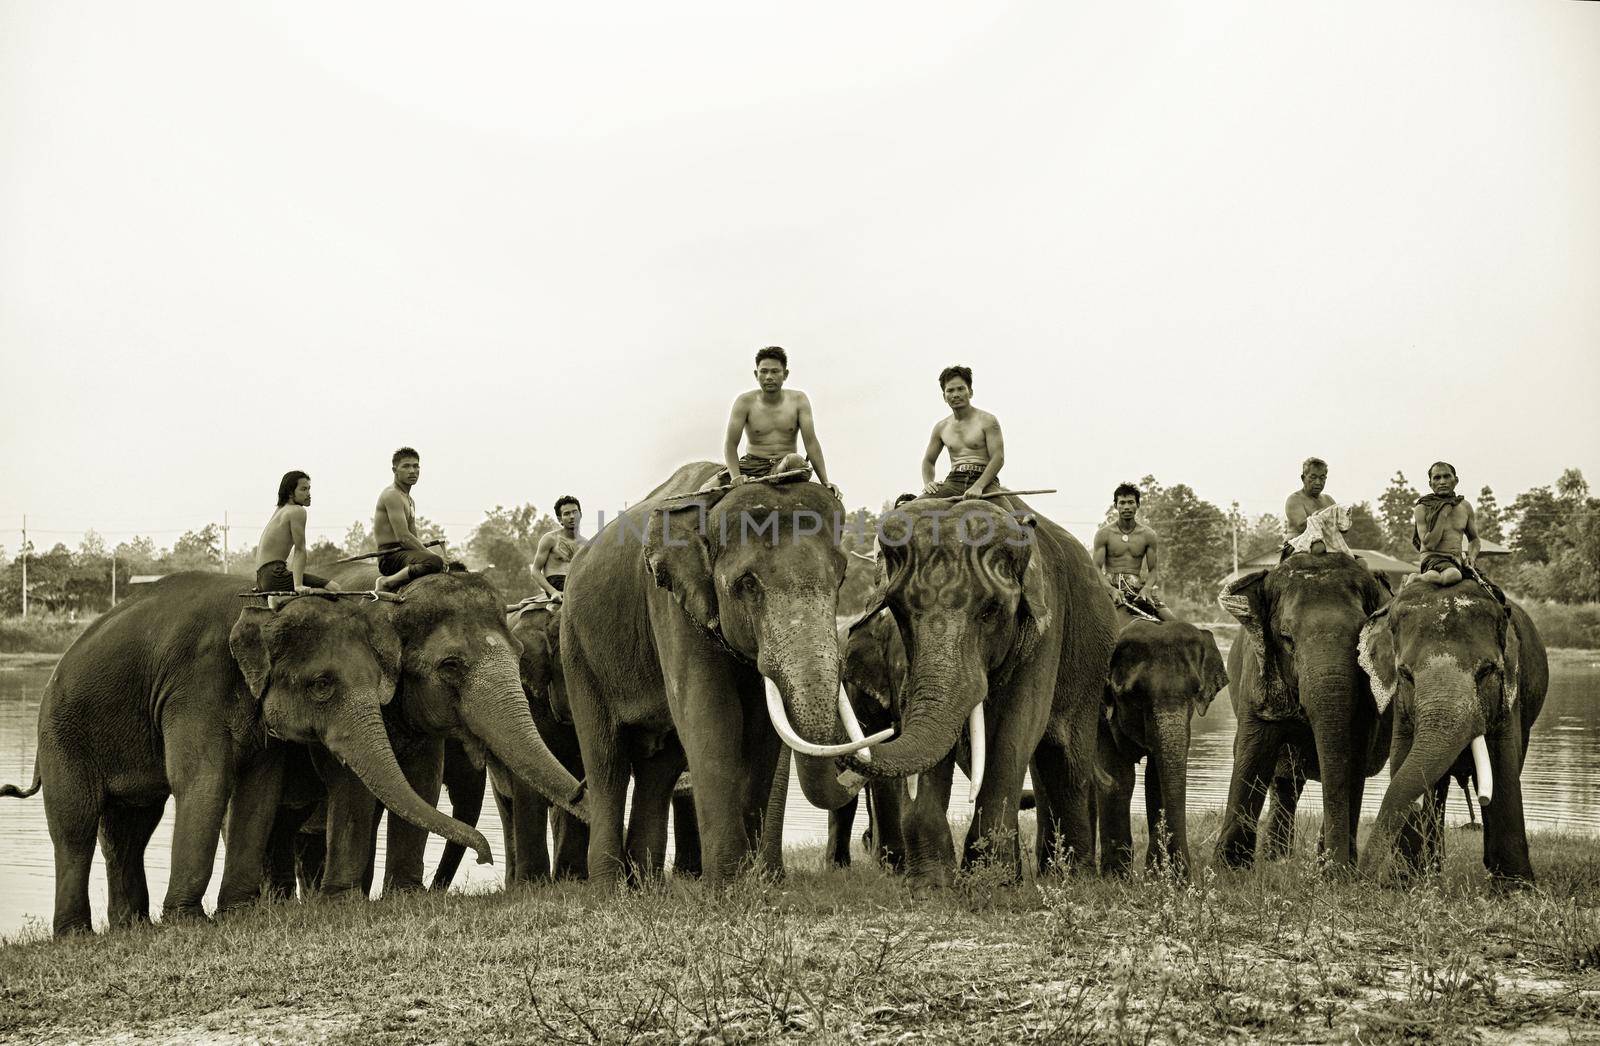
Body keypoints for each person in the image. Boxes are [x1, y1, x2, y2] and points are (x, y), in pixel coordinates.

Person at [720, 346, 841, 497]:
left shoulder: (799, 400)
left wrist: (825, 481)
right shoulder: (744, 401)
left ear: (785, 374)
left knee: (795, 460)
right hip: (751, 465)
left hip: (786, 466)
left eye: (775, 371)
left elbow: (811, 442)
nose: (769, 377)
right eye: (763, 371)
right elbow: (730, 444)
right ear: (756, 374)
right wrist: (736, 477)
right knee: (704, 490)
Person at [1092, 482, 1176, 621]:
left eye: (1130, 502)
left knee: (1174, 623)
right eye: (1122, 503)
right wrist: (1110, 589)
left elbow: (1153, 570)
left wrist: (1147, 588)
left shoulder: (1148, 535)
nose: (1126, 507)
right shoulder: (1104, 534)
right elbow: (1095, 567)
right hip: (1108, 586)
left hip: (1137, 588)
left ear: (1138, 505)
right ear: (1116, 506)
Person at [921, 366, 1005, 499]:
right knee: (912, 508)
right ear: (944, 396)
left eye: (961, 389)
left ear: (970, 392)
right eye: (950, 390)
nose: (955, 395)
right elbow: (928, 461)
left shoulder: (988, 420)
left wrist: (978, 486)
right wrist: (928, 482)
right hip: (953, 481)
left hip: (985, 482)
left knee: (1010, 517)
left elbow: (998, 458)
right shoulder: (941, 427)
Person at [374, 447, 445, 592]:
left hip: (404, 553)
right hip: (390, 557)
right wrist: (433, 557)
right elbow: (404, 538)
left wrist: (425, 555)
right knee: (435, 561)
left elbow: (413, 538)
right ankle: (386, 582)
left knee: (438, 562)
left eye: (416, 466)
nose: (412, 471)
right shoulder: (392, 495)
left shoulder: (410, 500)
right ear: (395, 470)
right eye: (406, 466)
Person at [255, 471, 337, 596]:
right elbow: (300, 550)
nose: (308, 494)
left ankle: (281, 597)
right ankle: (282, 599)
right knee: (335, 588)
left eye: (309, 489)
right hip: (275, 576)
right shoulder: (297, 511)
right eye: (303, 489)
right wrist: (298, 585)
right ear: (290, 493)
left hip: (262, 578)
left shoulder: (281, 509)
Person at [1412, 461, 1479, 586]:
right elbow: (1430, 544)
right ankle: (1415, 579)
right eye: (1437, 478)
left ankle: (1431, 577)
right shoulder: (1422, 508)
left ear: (1456, 480)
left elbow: (1474, 539)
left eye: (1447, 476)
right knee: (1452, 576)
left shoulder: (1465, 506)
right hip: (1433, 559)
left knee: (1495, 592)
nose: (1442, 482)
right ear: (1430, 484)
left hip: (1458, 561)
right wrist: (1442, 514)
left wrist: (1472, 557)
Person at [532, 495, 582, 600]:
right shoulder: (550, 539)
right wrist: (553, 592)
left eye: (575, 512)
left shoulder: (585, 545)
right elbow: (535, 571)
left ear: (580, 515)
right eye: (567, 514)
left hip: (578, 583)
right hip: (557, 583)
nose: (572, 516)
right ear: (560, 519)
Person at [1283, 457, 1335, 557]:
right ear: (1303, 478)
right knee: (1319, 548)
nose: (1318, 482)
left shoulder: (1329, 500)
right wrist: (1327, 514)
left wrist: (1344, 519)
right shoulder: (1294, 499)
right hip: (1297, 543)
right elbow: (1302, 526)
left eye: (1322, 478)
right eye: (1313, 477)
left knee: (1360, 562)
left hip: (1328, 543)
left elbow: (1340, 527)